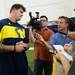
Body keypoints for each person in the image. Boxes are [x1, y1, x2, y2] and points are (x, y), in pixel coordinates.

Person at [0, 4, 29, 75]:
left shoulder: (22, 27)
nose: (22, 14)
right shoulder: (1, 24)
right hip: (6, 66)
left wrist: (25, 46)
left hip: (22, 66)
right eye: (21, 12)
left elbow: (27, 45)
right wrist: (14, 48)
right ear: (14, 10)